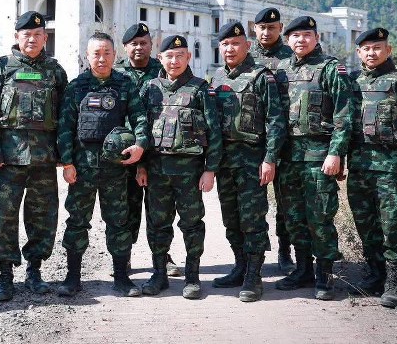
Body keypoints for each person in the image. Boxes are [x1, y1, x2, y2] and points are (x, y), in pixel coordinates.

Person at [0, 11, 68, 302]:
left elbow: (65, 118)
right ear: (17, 37)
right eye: (26, 34)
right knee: (4, 217)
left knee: (42, 218)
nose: (32, 39)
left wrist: (65, 156)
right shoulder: (2, 69)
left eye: (38, 35)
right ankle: (5, 275)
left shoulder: (55, 71)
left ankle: (34, 271)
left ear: (45, 38)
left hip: (43, 161)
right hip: (8, 160)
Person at [56, 32, 149, 298]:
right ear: (87, 56)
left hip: (115, 169)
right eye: (96, 53)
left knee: (119, 222)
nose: (101, 58)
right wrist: (67, 162)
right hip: (82, 168)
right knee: (77, 221)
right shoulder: (76, 87)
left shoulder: (125, 85)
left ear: (115, 55)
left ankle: (121, 278)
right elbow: (65, 127)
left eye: (107, 53)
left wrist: (140, 145)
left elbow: (140, 119)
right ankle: (73, 277)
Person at [346, 28, 397, 308]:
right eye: (366, 49)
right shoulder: (352, 81)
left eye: (377, 48)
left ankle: (395, 281)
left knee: (391, 221)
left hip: (389, 164)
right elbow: (342, 124)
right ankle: (375, 273)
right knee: (364, 221)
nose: (372, 53)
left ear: (388, 50)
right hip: (358, 164)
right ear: (359, 52)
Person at [274, 16, 353, 301]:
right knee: (293, 217)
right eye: (295, 36)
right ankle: (303, 270)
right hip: (288, 159)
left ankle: (324, 275)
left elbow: (344, 116)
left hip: (320, 157)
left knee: (320, 217)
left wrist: (336, 153)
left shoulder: (331, 68)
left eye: (307, 35)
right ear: (288, 40)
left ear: (316, 38)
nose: (301, 40)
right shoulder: (281, 70)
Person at [138, 35, 222, 299]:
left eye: (180, 56)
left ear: (188, 57)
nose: (174, 61)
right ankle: (159, 274)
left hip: (190, 172)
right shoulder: (150, 88)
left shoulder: (200, 89)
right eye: (169, 56)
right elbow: (139, 130)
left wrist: (210, 169)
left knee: (192, 224)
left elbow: (214, 131)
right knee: (157, 224)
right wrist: (140, 167)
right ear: (160, 58)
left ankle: (192, 277)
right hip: (156, 171)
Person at [210, 22, 287, 302]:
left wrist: (270, 158)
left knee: (252, 219)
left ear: (248, 45)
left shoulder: (261, 76)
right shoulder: (217, 77)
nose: (230, 49)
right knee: (231, 218)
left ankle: (254, 276)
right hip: (225, 161)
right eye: (225, 44)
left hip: (252, 160)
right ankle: (240, 266)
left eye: (235, 43)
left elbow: (275, 121)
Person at [114, 23, 180, 277]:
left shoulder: (163, 69)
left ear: (152, 45)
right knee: (126, 208)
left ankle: (163, 255)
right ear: (125, 47)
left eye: (144, 43)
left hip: (157, 153)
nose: (139, 47)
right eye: (134, 43)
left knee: (160, 209)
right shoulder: (117, 73)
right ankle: (125, 256)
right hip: (124, 153)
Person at [250, 7, 296, 273]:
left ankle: (285, 251)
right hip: (253, 140)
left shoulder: (292, 57)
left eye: (272, 27)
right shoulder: (247, 56)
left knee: (285, 200)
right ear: (254, 29)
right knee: (253, 202)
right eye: (262, 28)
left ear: (281, 29)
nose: (266, 32)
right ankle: (252, 255)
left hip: (286, 140)